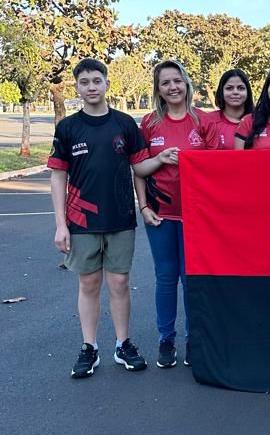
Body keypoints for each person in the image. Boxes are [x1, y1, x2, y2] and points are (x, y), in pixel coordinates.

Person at [49, 58, 156, 378]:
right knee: (89, 282)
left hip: (121, 216)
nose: (91, 87)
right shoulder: (68, 127)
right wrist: (59, 224)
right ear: (77, 87)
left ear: (107, 84)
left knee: (120, 282)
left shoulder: (125, 124)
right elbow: (57, 176)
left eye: (97, 81)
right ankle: (89, 347)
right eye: (84, 82)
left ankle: (123, 344)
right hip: (81, 220)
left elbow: (140, 168)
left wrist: (163, 159)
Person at [133, 59, 219, 369]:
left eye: (177, 80)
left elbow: (218, 171)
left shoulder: (204, 122)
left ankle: (193, 339)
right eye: (166, 82)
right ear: (158, 89)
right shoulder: (149, 124)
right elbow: (138, 170)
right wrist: (143, 206)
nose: (173, 87)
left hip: (196, 217)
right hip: (161, 214)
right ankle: (165, 339)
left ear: (187, 84)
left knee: (191, 279)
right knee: (166, 278)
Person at [206, 69, 254, 149]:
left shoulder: (259, 120)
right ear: (221, 91)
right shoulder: (208, 121)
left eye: (240, 88)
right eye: (229, 88)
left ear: (248, 92)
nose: (235, 92)